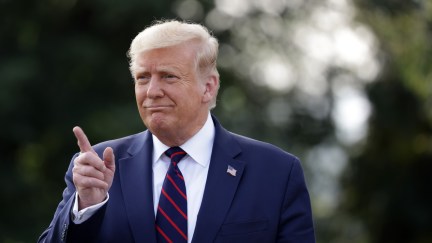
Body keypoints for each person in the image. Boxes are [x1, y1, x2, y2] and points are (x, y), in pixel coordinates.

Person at [38, 20, 315, 243]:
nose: (152, 92)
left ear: (208, 87)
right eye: (142, 78)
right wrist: (86, 207)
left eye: (168, 76)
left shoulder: (276, 172)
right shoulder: (96, 166)